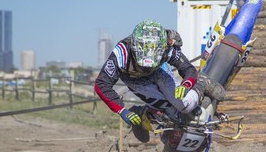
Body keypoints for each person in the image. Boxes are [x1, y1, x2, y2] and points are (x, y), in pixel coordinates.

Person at [95, 20, 224, 142]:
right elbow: (101, 84)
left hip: (159, 71)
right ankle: (142, 112)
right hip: (134, 79)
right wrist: (122, 110)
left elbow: (188, 69)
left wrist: (186, 85)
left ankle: (202, 83)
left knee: (183, 105)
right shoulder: (121, 53)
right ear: (134, 47)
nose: (146, 64)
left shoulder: (168, 47)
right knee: (170, 113)